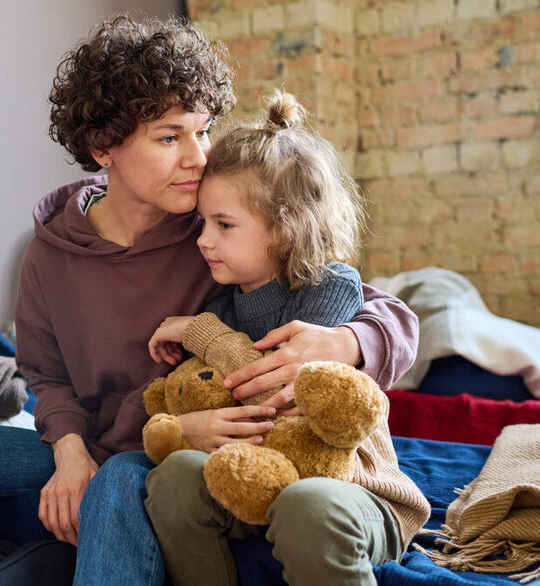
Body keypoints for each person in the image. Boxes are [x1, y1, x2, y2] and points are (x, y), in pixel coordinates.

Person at [0, 15, 418, 586]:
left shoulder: (214, 229)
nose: (198, 156)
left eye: (203, 130)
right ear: (104, 148)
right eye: (170, 137)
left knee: (117, 486)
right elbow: (44, 375)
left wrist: (346, 341)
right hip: (88, 438)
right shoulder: (50, 254)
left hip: (155, 449)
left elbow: (368, 300)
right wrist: (68, 450)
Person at [143, 92, 430, 586]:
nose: (203, 240)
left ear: (285, 231)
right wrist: (188, 425)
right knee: (172, 477)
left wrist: (200, 333)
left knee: (308, 502)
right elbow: (212, 391)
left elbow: (276, 389)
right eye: (203, 223)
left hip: (351, 489)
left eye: (224, 225)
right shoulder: (222, 307)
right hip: (253, 480)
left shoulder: (329, 286)